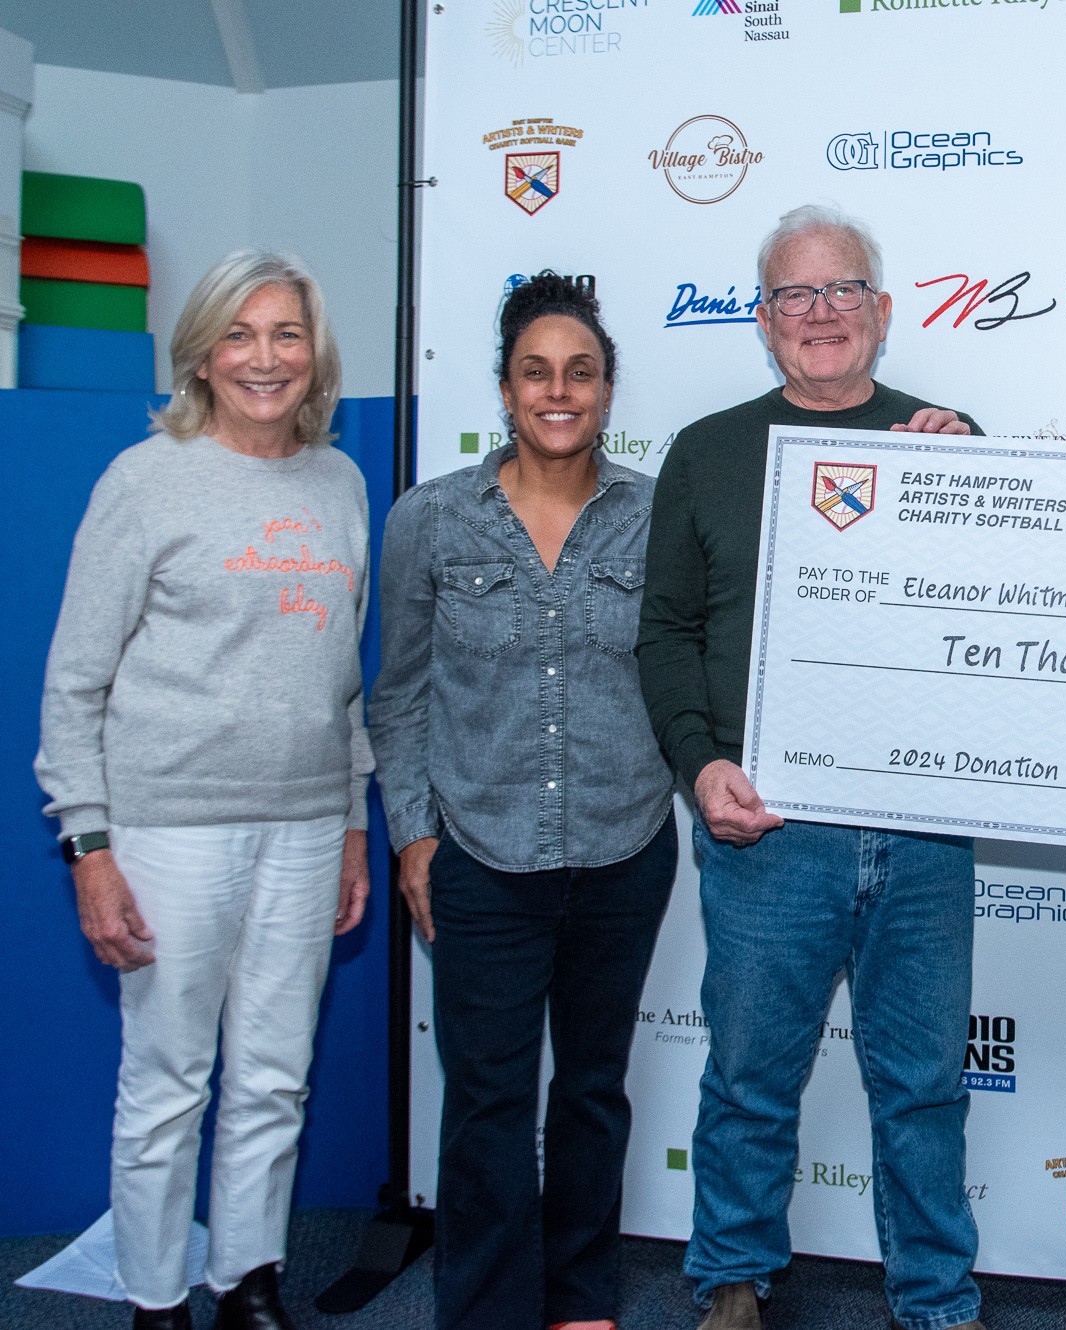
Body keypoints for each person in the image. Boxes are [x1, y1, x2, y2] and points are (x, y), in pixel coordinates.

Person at [637, 204, 986, 1330]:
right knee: (747, 1080)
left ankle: (936, 1298)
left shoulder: (948, 438)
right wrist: (700, 769)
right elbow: (664, 635)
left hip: (920, 827)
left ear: (881, 313)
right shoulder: (707, 449)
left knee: (925, 1087)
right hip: (765, 825)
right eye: (795, 294)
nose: (820, 312)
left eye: (843, 291)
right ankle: (731, 1281)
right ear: (763, 319)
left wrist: (972, 485)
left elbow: (1000, 613)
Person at [35, 251, 371, 1330]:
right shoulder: (144, 480)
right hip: (168, 829)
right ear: (202, 353)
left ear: (313, 353)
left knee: (275, 1077)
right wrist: (88, 845)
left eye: (285, 334)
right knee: (169, 1081)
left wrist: (355, 821)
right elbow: (75, 679)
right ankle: (155, 1298)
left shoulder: (340, 481)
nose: (264, 358)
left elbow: (340, 679)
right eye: (240, 334)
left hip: (309, 825)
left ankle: (247, 1280)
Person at [369, 274, 678, 1330]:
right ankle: (491, 1308)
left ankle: (580, 1295)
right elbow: (397, 697)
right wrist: (413, 834)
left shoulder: (654, 517)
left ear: (606, 390)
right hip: (481, 857)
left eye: (580, 372)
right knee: (489, 1103)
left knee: (592, 1089)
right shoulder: (432, 519)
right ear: (505, 390)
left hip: (622, 849)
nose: (559, 391)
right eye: (536, 371)